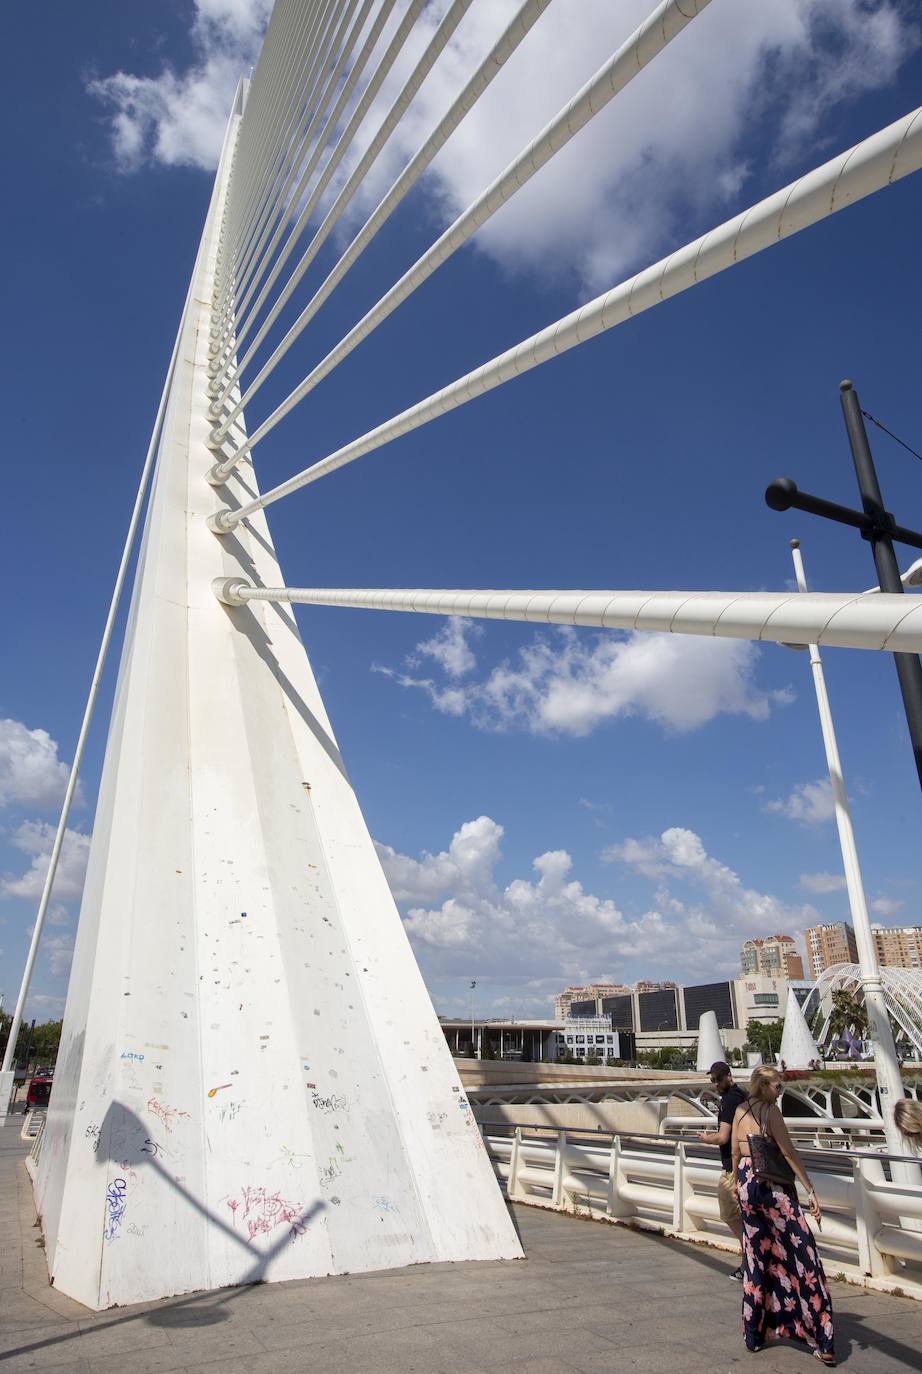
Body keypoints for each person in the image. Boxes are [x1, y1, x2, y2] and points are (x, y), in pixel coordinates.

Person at [732, 1066, 834, 1363]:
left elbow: (735, 1154)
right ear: (764, 1086)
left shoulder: (739, 1110)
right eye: (778, 1087)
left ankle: (753, 1334)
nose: (780, 1092)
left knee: (755, 1258)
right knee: (804, 1256)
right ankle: (822, 1338)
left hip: (745, 1186)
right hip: (771, 1186)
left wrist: (738, 1185)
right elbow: (788, 1152)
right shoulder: (769, 1112)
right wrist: (809, 1188)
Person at [698, 1060, 747, 1280]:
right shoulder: (742, 1096)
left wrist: (706, 1138)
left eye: (718, 1079)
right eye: (713, 1080)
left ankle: (749, 1258)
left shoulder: (729, 1102)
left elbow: (724, 1137)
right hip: (747, 1166)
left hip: (732, 1168)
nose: (715, 1083)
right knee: (746, 1217)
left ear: (729, 1075)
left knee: (729, 1214)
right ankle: (753, 1259)